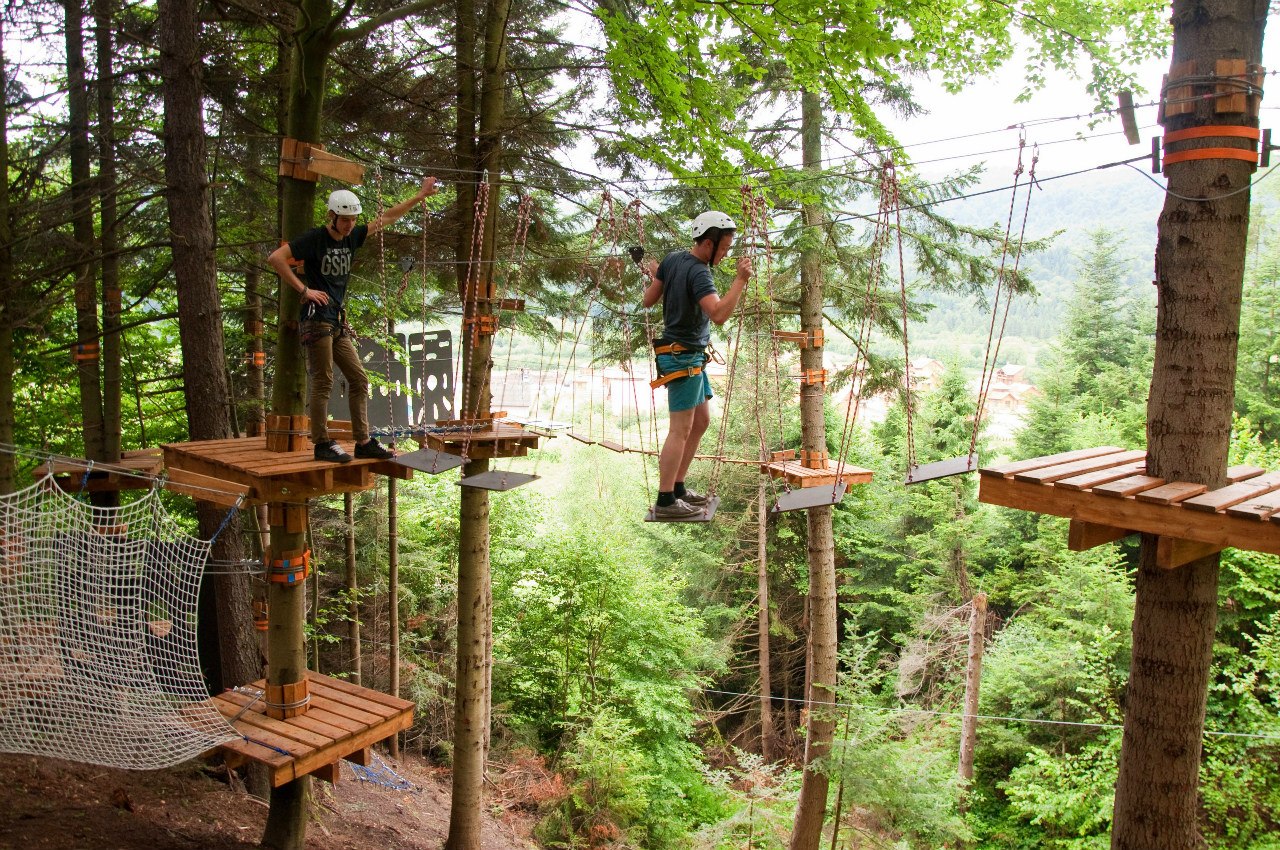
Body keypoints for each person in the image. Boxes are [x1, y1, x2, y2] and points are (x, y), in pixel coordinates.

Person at [268, 176, 439, 463]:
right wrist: (305, 290)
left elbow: (386, 218)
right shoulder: (314, 239)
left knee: (359, 379)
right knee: (323, 381)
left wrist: (420, 196)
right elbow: (276, 258)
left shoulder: (353, 238)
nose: (349, 225)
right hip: (317, 321)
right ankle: (321, 443)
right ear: (332, 216)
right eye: (345, 220)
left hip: (335, 322)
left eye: (353, 220)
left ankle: (363, 441)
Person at [642, 211, 752, 518]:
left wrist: (660, 278)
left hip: (686, 355)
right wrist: (740, 281)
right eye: (725, 248)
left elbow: (649, 300)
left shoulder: (673, 259)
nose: (726, 254)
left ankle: (677, 488)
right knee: (680, 429)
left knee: (700, 422)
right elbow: (717, 314)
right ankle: (665, 500)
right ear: (708, 243)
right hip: (683, 356)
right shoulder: (700, 272)